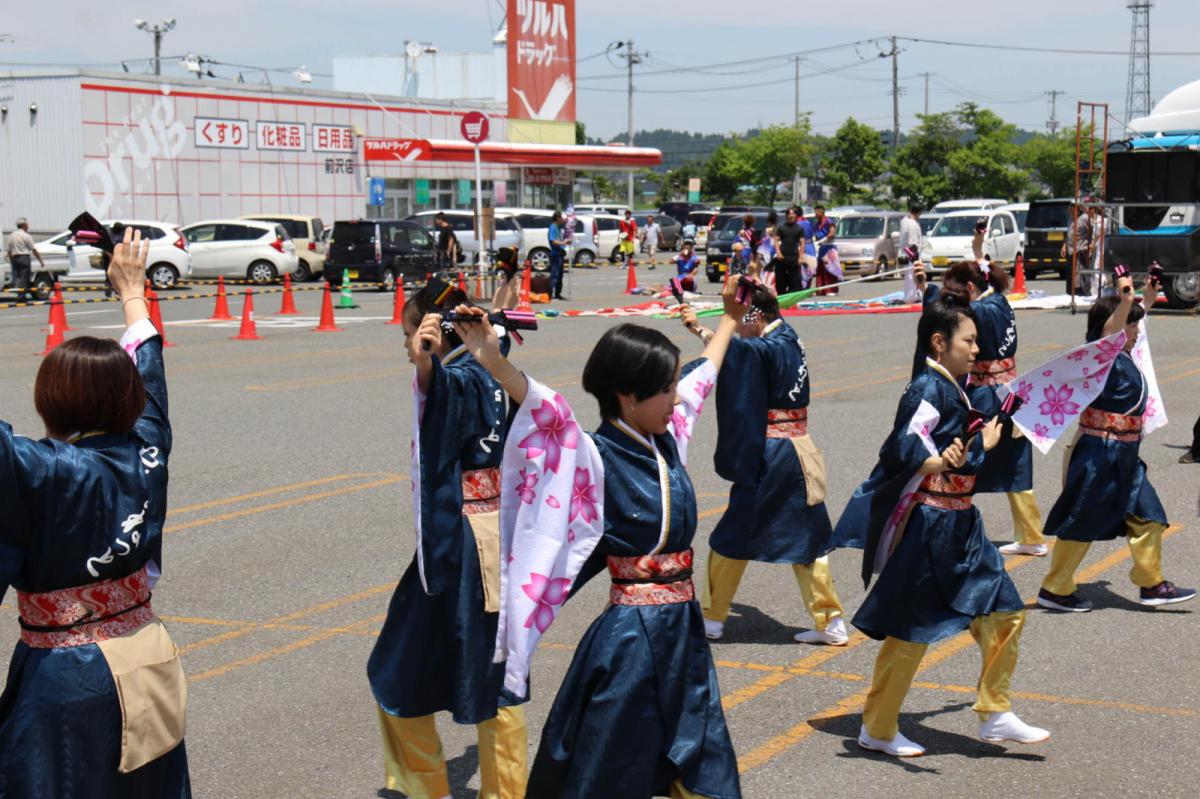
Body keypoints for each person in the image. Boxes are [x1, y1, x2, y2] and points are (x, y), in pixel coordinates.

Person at [452, 277, 750, 798]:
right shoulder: (592, 457)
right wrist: (493, 360)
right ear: (627, 396)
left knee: (703, 761)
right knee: (611, 767)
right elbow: (546, 410)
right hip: (632, 640)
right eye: (663, 388)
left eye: (674, 385)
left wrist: (728, 317)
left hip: (682, 632)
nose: (676, 396)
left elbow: (707, 374)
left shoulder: (668, 437)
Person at [0, 228, 191, 795]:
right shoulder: (148, 445)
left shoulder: (45, 467)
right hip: (148, 653)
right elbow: (150, 369)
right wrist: (132, 290)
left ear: (52, 400)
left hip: (67, 675)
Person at [835, 293, 1049, 757]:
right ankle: (877, 727)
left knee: (1006, 612)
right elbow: (903, 445)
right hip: (931, 524)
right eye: (969, 340)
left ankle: (995, 712)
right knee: (911, 631)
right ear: (939, 342)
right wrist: (949, 456)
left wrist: (984, 437)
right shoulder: (927, 388)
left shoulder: (956, 386)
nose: (977, 349)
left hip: (963, 522)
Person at [366, 280, 528, 799]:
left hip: (458, 544)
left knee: (397, 671)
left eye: (409, 329)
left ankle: (424, 786)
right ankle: (506, 791)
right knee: (496, 672)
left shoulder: (457, 377)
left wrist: (425, 366)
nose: (406, 340)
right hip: (501, 536)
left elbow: (436, 389)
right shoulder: (496, 365)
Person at [683, 283, 849, 646]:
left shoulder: (761, 347)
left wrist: (706, 329)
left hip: (771, 456)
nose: (737, 326)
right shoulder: (788, 337)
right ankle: (830, 620)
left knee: (731, 536)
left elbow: (731, 354)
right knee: (808, 540)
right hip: (799, 450)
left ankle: (711, 618)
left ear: (755, 316)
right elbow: (738, 348)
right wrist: (698, 328)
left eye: (741, 320)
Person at [1037, 273, 1196, 611]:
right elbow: (1111, 331)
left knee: (1150, 517)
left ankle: (1151, 584)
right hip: (1101, 453)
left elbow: (1132, 326)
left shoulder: (1123, 353)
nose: (1136, 331)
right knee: (1081, 521)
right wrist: (1125, 301)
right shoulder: (1099, 356)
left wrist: (1146, 299)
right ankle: (1054, 588)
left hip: (1124, 455)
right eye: (1130, 324)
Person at [914, 254, 1047, 557]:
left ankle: (953, 528)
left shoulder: (981, 311)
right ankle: (1030, 534)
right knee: (1016, 467)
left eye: (958, 290)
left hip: (986, 394)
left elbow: (948, 315)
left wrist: (930, 292)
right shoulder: (1000, 301)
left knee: (963, 459)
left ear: (971, 288)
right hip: (1011, 391)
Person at [4, 217, 45, 303]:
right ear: (24, 225)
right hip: (24, 258)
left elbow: (9, 251)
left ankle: (19, 295)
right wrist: (40, 261)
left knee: (18, 278)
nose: (28, 226)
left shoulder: (11, 235)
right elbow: (33, 249)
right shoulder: (26, 236)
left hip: (15, 258)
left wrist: (12, 261)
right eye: (27, 225)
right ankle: (21, 298)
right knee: (24, 278)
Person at [1061, 203, 1098, 297]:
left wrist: (1092, 243)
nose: (1070, 211)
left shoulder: (1085, 218)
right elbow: (1068, 234)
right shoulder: (1070, 219)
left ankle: (1082, 291)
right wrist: (1064, 246)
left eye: (1072, 208)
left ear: (1077, 209)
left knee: (1081, 273)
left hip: (1081, 249)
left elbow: (1094, 231)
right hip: (1071, 250)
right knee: (1071, 273)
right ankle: (1071, 291)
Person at [773, 206, 805, 295]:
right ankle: (781, 298)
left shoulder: (799, 228)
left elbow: (802, 242)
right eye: (790, 214)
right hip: (782, 257)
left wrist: (801, 257)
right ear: (787, 215)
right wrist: (778, 252)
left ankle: (792, 300)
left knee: (794, 280)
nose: (792, 216)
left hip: (794, 256)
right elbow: (775, 240)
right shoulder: (781, 227)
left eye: (794, 214)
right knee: (780, 280)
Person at [810, 206, 840, 296]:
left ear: (821, 212)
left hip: (829, 246)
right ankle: (821, 290)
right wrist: (814, 240)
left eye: (816, 213)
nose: (815, 215)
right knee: (821, 268)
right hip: (821, 247)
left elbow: (832, 233)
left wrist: (822, 240)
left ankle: (831, 289)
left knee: (830, 268)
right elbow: (814, 234)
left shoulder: (829, 222)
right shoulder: (816, 224)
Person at [548, 210, 567, 300]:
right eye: (562, 218)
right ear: (558, 218)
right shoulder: (553, 227)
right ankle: (549, 293)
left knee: (560, 275)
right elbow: (553, 241)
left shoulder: (558, 228)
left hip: (560, 253)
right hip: (555, 254)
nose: (563, 219)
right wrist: (563, 242)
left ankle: (558, 293)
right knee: (554, 274)